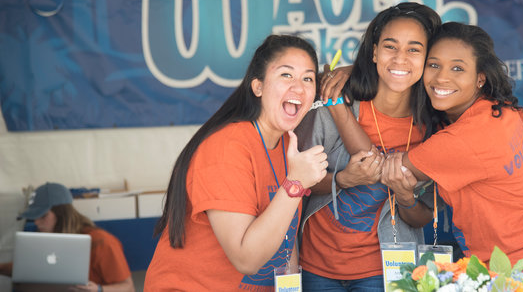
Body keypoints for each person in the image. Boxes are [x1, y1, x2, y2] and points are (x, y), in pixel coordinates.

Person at [361, 22, 523, 291]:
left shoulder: (465, 137)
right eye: (433, 65)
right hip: (519, 269)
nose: (442, 78)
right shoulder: (498, 111)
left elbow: (381, 168)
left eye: (457, 68)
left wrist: (338, 104)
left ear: (480, 78)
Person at [144, 35, 327, 291]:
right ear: (258, 87)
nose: (299, 87)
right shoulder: (226, 147)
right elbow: (246, 259)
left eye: (308, 78)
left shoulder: (289, 145)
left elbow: (286, 233)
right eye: (286, 75)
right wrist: (295, 184)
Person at [294, 2, 441, 291]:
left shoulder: (433, 128)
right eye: (390, 46)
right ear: (374, 51)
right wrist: (341, 180)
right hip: (317, 266)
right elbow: (293, 181)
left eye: (414, 49)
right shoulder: (330, 107)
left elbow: (426, 214)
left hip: (388, 271)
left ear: (428, 58)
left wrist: (405, 195)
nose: (400, 58)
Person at [0, 182, 135, 292]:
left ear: (62, 214)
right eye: (34, 217)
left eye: (42, 216)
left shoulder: (101, 242)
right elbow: (25, 267)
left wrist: (99, 290)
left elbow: (128, 287)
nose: (36, 222)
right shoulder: (42, 239)